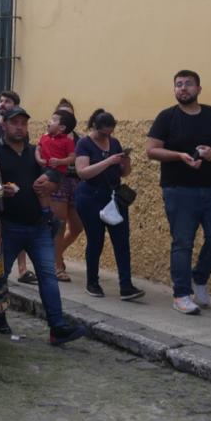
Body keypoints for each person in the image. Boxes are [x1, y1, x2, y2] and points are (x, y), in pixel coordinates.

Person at [145, 70, 211, 315]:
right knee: (183, 242)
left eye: (188, 84)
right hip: (178, 190)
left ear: (199, 89)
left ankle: (199, 277)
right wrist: (179, 156)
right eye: (178, 84)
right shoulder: (167, 117)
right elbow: (152, 150)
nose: (183, 88)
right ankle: (181, 294)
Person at [0, 106, 86, 345]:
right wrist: (2, 191)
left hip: (39, 227)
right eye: (15, 123)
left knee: (48, 277)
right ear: (4, 125)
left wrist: (51, 181)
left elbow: (55, 172)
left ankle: (57, 328)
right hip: (9, 226)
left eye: (24, 123)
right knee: (0, 277)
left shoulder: (36, 151)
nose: (20, 127)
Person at [73, 109, 145, 301]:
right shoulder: (84, 143)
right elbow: (83, 173)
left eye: (110, 132)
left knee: (122, 241)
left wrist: (125, 162)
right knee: (96, 241)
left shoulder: (114, 143)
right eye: (103, 133)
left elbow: (123, 173)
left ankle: (126, 286)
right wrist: (108, 161)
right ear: (95, 127)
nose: (107, 136)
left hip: (113, 196)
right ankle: (92, 282)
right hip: (90, 197)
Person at [0, 90, 36, 285]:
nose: (2, 104)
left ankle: (22, 269)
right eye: (1, 100)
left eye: (8, 101)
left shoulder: (20, 132)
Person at [37, 108, 79, 281]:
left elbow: (74, 157)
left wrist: (60, 161)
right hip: (54, 180)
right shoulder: (45, 137)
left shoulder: (71, 140)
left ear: (63, 127)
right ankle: (56, 264)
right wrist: (39, 159)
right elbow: (37, 149)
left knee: (76, 227)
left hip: (72, 182)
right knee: (58, 224)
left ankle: (56, 256)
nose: (49, 121)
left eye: (54, 119)